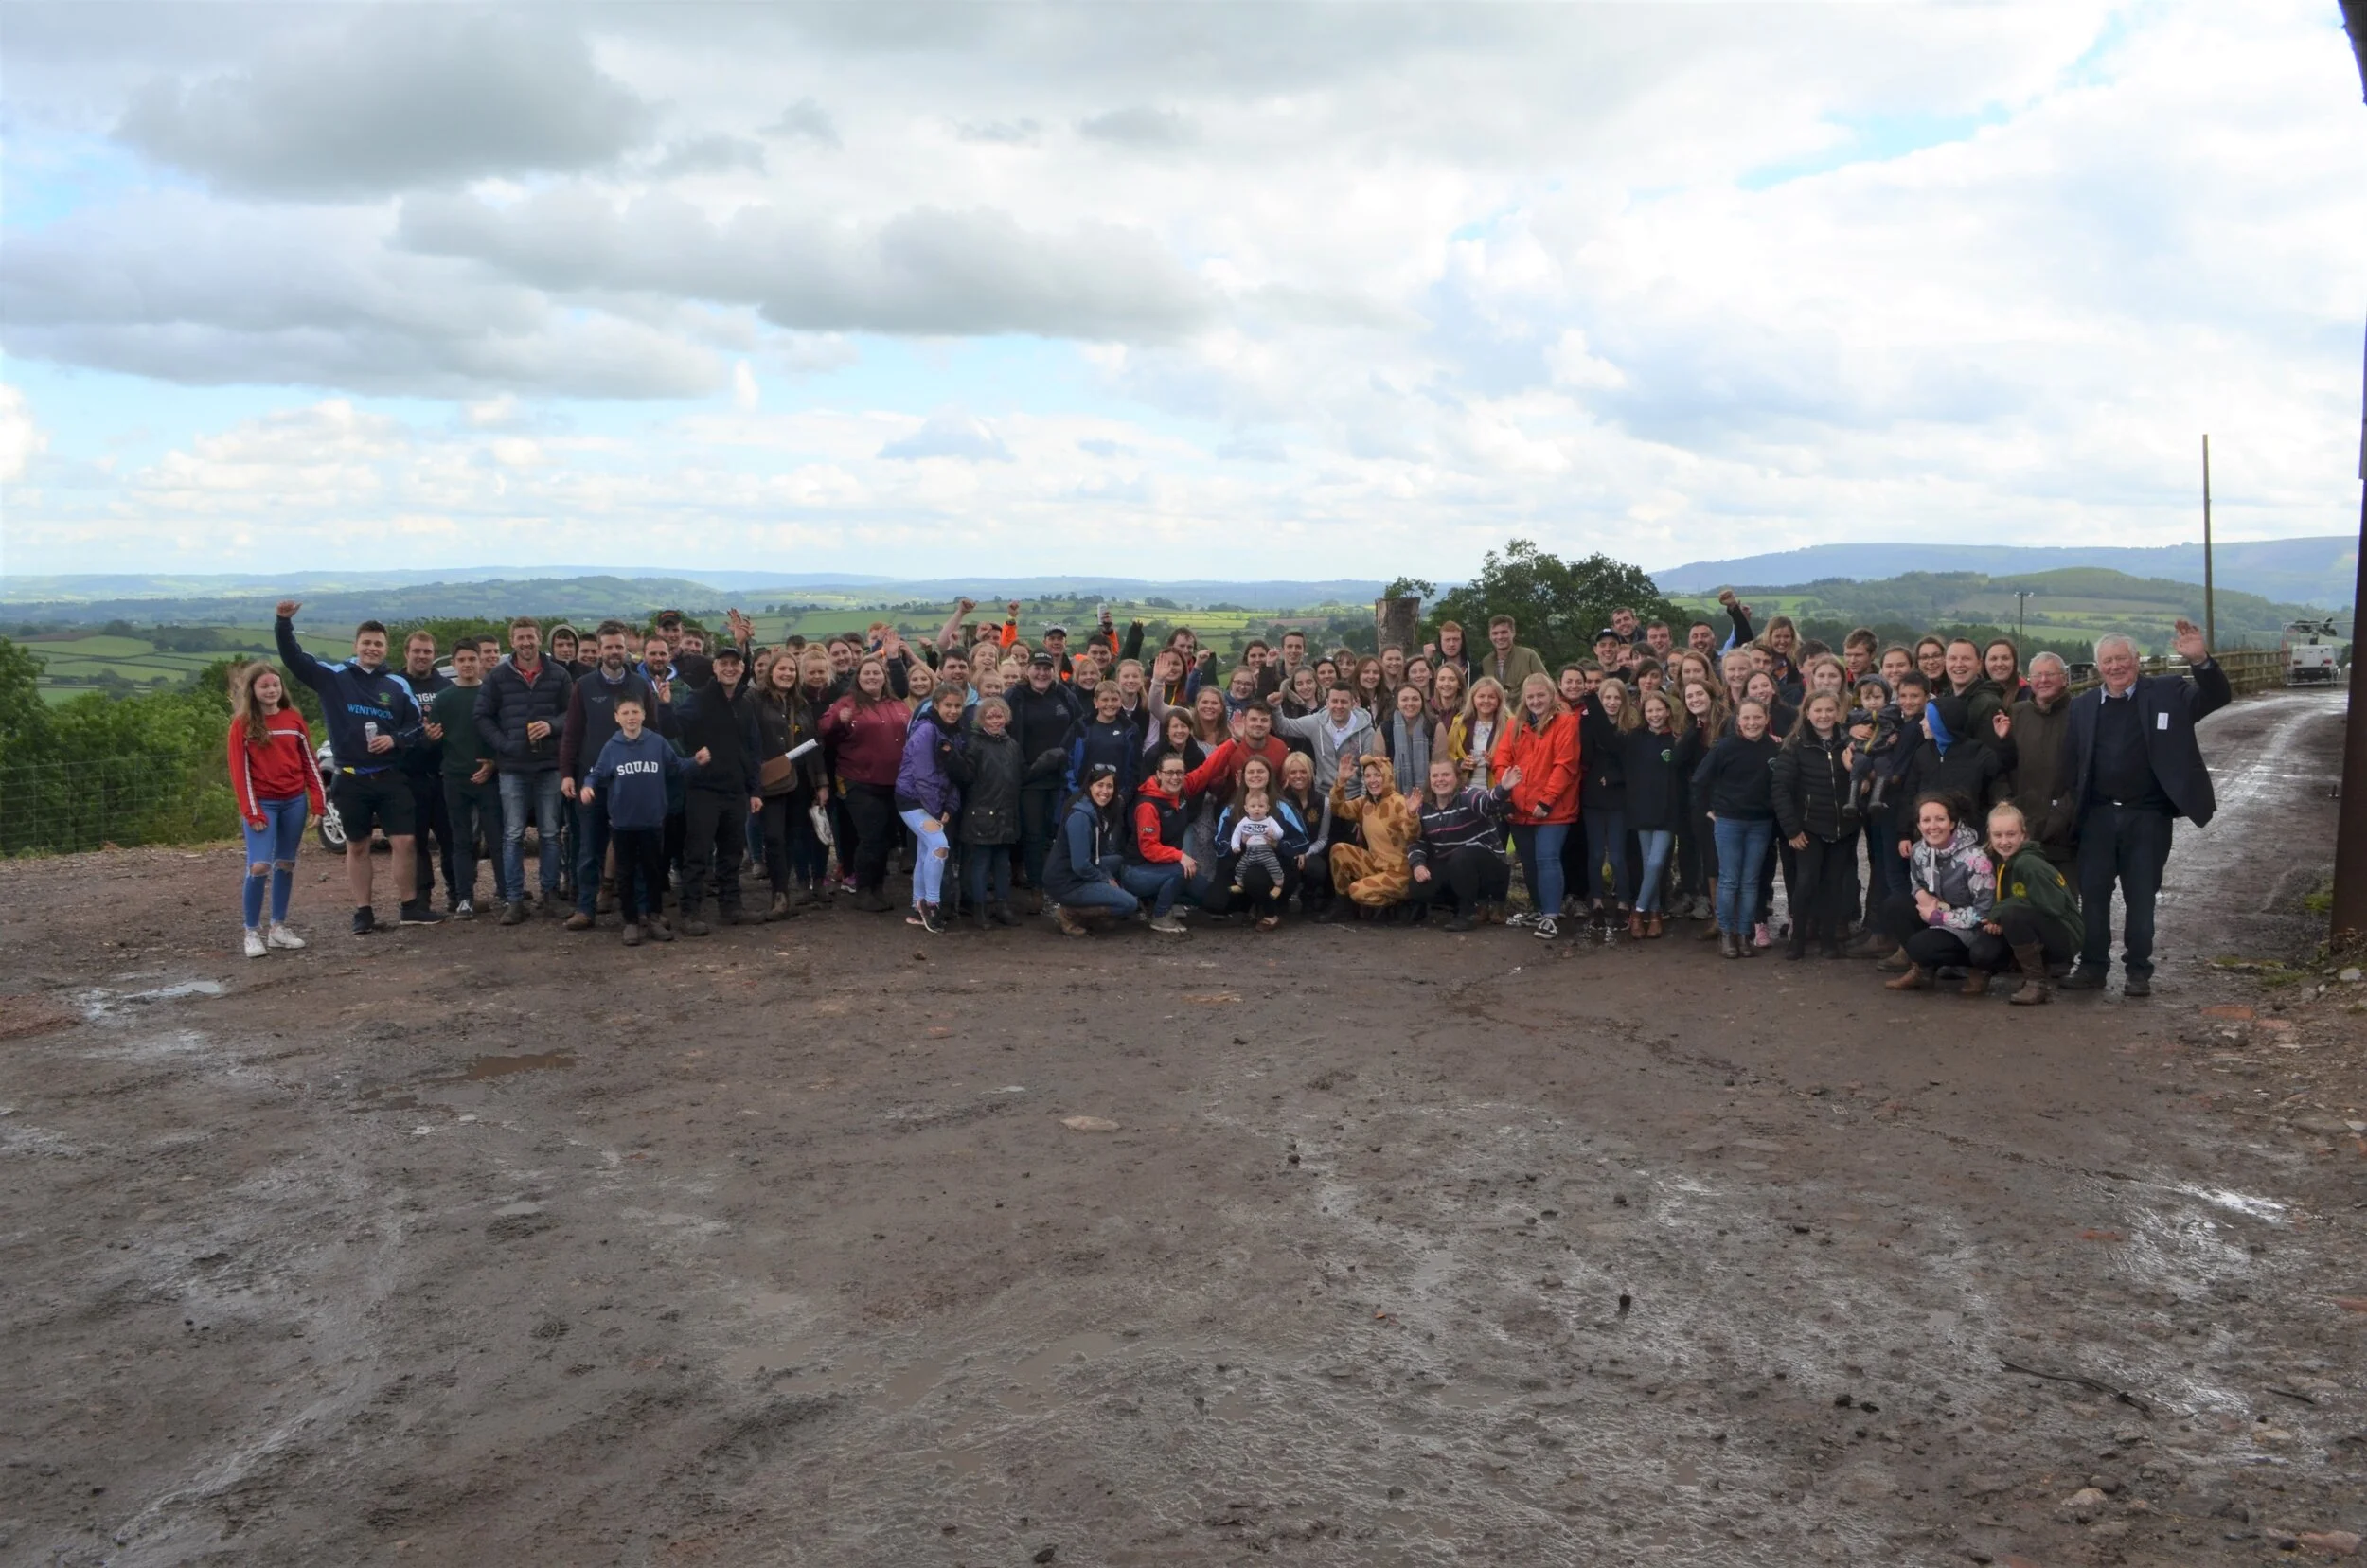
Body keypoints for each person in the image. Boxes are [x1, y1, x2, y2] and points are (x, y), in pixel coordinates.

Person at [2056, 620, 2230, 997]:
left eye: (2122, 658)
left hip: (2147, 817)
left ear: (2137, 660)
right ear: (2097, 666)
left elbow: (2215, 698)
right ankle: (2092, 966)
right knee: (2094, 897)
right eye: (2108, 661)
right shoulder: (2083, 706)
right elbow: (2072, 764)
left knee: (2141, 897)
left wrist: (2200, 659)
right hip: (2098, 817)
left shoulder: (2168, 692)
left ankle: (2138, 970)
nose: (2116, 667)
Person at [274, 600, 436, 935]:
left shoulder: (397, 685)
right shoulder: (335, 678)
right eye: (367, 643)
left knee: (404, 842)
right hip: (350, 778)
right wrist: (283, 623)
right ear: (356, 646)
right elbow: (294, 660)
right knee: (357, 845)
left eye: (378, 644)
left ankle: (410, 906)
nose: (372, 649)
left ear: (386, 648)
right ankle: (364, 912)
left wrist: (395, 741)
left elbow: (417, 728)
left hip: (391, 776)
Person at [558, 620, 671, 930]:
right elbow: (571, 734)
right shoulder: (584, 686)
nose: (614, 652)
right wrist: (567, 774)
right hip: (594, 779)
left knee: (634, 850)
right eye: (608, 647)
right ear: (599, 649)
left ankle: (640, 912)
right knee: (588, 846)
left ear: (626, 649)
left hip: (633, 782)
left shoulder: (640, 686)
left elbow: (654, 733)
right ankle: (585, 908)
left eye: (619, 646)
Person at [578, 698, 709, 946]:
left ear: (643, 714)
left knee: (653, 872)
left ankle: (654, 917)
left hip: (652, 821)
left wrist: (696, 762)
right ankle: (630, 921)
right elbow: (596, 774)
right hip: (622, 823)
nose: (631, 717)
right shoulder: (612, 746)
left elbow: (676, 767)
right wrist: (587, 787)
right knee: (625, 873)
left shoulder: (656, 742)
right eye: (625, 712)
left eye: (635, 712)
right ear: (617, 717)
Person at [475, 616, 573, 925]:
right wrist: (504, 744)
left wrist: (552, 725)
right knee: (513, 834)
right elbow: (482, 716)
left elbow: (572, 714)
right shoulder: (498, 677)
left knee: (549, 833)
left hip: (548, 766)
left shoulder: (558, 674)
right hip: (513, 767)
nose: (526, 642)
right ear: (512, 641)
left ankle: (550, 895)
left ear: (539, 638)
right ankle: (514, 900)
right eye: (520, 638)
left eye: (530, 637)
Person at [227, 662, 326, 958]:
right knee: (259, 866)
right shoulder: (242, 725)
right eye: (264, 686)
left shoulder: (293, 719)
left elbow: (310, 762)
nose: (271, 690)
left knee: (286, 863)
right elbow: (239, 772)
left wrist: (318, 801)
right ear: (253, 691)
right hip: (263, 803)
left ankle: (278, 928)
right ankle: (251, 931)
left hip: (294, 801)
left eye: (275, 685)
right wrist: (252, 811)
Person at [671, 642, 763, 934]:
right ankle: (689, 912)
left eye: (734, 664)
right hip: (703, 789)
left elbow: (752, 748)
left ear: (742, 669)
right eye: (723, 663)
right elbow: (675, 729)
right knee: (697, 854)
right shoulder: (698, 699)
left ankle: (731, 908)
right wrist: (688, 760)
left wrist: (756, 789)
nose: (729, 668)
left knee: (731, 853)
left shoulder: (745, 703)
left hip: (736, 790)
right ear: (714, 668)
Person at [946, 696, 1057, 929]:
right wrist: (951, 757)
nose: (995, 720)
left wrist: (1045, 762)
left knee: (1002, 863)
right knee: (981, 863)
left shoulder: (1012, 746)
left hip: (1007, 813)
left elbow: (1023, 774)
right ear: (981, 720)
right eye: (990, 716)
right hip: (981, 813)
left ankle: (1002, 906)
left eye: (999, 716)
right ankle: (979, 910)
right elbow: (966, 777)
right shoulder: (974, 745)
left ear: (1006, 718)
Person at [1770, 689, 1860, 960]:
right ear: (1807, 713)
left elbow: (1861, 779)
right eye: (1818, 710)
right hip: (1809, 828)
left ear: (1838, 713)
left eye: (1829, 710)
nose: (1823, 715)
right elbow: (1781, 789)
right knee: (1806, 883)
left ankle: (1829, 939)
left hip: (1842, 827)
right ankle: (1797, 938)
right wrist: (1792, 830)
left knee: (1833, 885)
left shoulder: (1849, 743)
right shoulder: (1796, 744)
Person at [1877, 793, 1997, 994]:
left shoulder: (1977, 860)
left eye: (1940, 819)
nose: (1933, 826)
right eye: (1926, 820)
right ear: (1918, 825)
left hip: (1972, 929)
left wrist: (1938, 917)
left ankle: (1977, 970)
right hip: (1937, 912)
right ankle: (1923, 971)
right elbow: (1916, 880)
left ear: (1952, 823)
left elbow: (1984, 912)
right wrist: (1920, 893)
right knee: (1894, 905)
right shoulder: (1918, 850)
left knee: (1920, 946)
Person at [1492, 671, 1579, 940]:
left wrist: (1547, 800)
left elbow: (1565, 765)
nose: (1536, 701)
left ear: (1552, 695)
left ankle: (1552, 915)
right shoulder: (1515, 724)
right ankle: (1540, 909)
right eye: (1531, 696)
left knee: (1547, 857)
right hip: (1520, 807)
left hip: (1553, 808)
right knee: (1529, 861)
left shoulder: (1566, 722)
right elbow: (1501, 760)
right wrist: (1506, 793)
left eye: (1541, 695)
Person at [821, 656, 910, 911]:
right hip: (858, 780)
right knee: (870, 837)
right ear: (858, 678)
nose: (872, 677)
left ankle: (877, 887)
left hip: (893, 782)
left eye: (877, 673)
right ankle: (863, 889)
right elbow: (824, 728)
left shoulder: (897, 704)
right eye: (866, 674)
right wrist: (839, 720)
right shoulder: (847, 704)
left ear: (885, 677)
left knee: (885, 838)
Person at [1695, 698, 1779, 960]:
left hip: (1760, 823)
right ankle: (1727, 934)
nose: (1752, 723)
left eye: (1757, 718)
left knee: (1750, 881)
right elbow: (1699, 781)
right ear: (1738, 721)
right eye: (1747, 718)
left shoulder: (1774, 748)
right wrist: (1708, 809)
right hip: (1729, 821)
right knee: (1729, 879)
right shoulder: (1725, 747)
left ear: (1766, 719)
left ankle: (1745, 934)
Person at [426, 639, 505, 918]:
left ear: (480, 661)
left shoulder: (491, 695)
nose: (468, 664)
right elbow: (434, 741)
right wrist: (429, 738)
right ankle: (465, 898)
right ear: (454, 664)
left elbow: (500, 734)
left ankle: (506, 894)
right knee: (460, 841)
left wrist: (493, 764)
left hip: (489, 777)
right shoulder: (444, 699)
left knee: (497, 839)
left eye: (473, 659)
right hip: (455, 778)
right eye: (462, 660)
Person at [753, 646, 832, 918]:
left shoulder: (802, 705)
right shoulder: (755, 701)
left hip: (800, 781)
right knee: (774, 837)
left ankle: (784, 894)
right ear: (771, 671)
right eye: (782, 668)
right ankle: (779, 894)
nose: (786, 673)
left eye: (791, 669)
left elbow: (814, 746)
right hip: (770, 780)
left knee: (791, 836)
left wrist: (822, 783)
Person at [1976, 803, 2082, 1005]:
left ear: (2023, 835)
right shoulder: (1998, 862)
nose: (2004, 841)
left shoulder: (2028, 863)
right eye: (1998, 835)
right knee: (1983, 952)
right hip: (2037, 927)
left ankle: (2036, 983)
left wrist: (2002, 910)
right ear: (1990, 835)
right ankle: (2022, 969)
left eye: (2011, 834)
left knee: (2013, 915)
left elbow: (2053, 906)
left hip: (2065, 935)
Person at [1043, 764, 1156, 935]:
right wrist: (1105, 879)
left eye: (1109, 786)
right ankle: (1069, 913)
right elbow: (1081, 865)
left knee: (1118, 860)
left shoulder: (1097, 811)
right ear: (1090, 786)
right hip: (1066, 882)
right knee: (1129, 904)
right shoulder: (1081, 817)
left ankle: (1103, 905)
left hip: (1077, 873)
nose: (1105, 791)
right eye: (1100, 785)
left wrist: (1107, 877)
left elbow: (1094, 858)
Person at [1407, 757, 1512, 931]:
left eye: (1446, 775)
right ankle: (1460, 904)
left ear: (1457, 777)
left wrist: (1503, 789)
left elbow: (1486, 802)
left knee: (1461, 857)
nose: (1440, 780)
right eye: (1435, 776)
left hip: (1490, 868)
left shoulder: (1466, 796)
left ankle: (1469, 913)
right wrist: (1418, 865)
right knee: (1418, 887)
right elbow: (1417, 841)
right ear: (1429, 780)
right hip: (1457, 868)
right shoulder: (1424, 808)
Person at [897, 683, 969, 934]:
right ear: (936, 706)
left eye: (958, 705)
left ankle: (917, 908)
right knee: (939, 845)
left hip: (936, 802)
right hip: (913, 800)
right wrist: (939, 811)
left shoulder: (956, 733)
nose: (953, 710)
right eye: (948, 705)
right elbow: (924, 776)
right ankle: (932, 904)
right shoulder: (926, 731)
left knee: (925, 851)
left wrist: (950, 804)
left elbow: (954, 775)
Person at [396, 630, 457, 918]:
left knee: (452, 840)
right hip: (409, 776)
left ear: (434, 655)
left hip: (444, 775)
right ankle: (421, 899)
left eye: (427, 652)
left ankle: (458, 895)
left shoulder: (446, 686)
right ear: (406, 652)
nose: (422, 656)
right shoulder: (395, 685)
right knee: (415, 842)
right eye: (417, 651)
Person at [2001, 651, 2076, 872]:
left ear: (2064, 678)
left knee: (2062, 900)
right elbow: (2006, 766)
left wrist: (2059, 818)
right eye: (2037, 675)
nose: (2043, 680)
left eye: (2050, 674)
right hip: (2021, 828)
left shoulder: (2079, 713)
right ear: (2029, 680)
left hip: (2064, 832)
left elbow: (2084, 774)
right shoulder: (2016, 713)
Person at [1620, 688, 1685, 938]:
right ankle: (1655, 913)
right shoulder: (1634, 738)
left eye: (1660, 709)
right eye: (1650, 711)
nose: (1655, 715)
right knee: (1650, 865)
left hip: (1668, 811)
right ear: (1644, 714)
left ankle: (1637, 911)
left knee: (1657, 862)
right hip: (1641, 809)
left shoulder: (1677, 739)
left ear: (1668, 711)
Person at [1326, 753, 1421, 918]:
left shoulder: (1398, 802)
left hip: (1400, 874)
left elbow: (1412, 835)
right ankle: (1343, 906)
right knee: (1338, 850)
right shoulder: (1365, 802)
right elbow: (1337, 808)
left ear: (1388, 776)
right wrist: (1341, 782)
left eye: (1377, 775)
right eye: (1368, 776)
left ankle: (1400, 903)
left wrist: (1412, 815)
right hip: (1376, 866)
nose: (1372, 780)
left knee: (1356, 891)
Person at [1577, 676, 1631, 938]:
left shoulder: (1629, 727)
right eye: (1606, 698)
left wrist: (1615, 778)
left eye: (1616, 698)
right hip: (1593, 798)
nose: (1611, 702)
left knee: (1618, 855)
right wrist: (1590, 715)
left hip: (1619, 799)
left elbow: (1623, 755)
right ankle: (1596, 901)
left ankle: (1623, 902)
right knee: (1596, 854)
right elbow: (1586, 754)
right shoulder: (1589, 722)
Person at [1119, 752, 1196, 933]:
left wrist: (1233, 742)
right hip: (1136, 870)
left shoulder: (1181, 793)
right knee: (1182, 871)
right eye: (1169, 772)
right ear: (1159, 774)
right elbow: (1149, 848)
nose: (1175, 777)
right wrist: (1180, 855)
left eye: (1179, 772)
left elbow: (1206, 771)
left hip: (1161, 867)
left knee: (1204, 894)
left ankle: (1152, 901)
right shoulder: (1148, 805)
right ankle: (1160, 916)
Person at [1272, 682, 1378, 792]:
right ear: (1327, 703)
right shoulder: (1316, 722)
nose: (1339, 706)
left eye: (1344, 702)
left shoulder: (1367, 732)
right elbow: (1284, 727)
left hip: (1353, 795)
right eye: (1334, 701)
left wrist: (1362, 803)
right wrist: (1275, 707)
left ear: (1353, 704)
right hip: (1324, 794)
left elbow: (1368, 771)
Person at [1226, 786, 1289, 901]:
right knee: (1240, 867)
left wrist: (1273, 833)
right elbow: (1236, 834)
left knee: (1274, 867)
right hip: (1249, 852)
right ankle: (1240, 885)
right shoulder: (1244, 822)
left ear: (1267, 808)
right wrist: (1235, 846)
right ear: (1246, 808)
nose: (1257, 809)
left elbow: (1281, 833)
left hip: (1266, 852)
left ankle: (1278, 886)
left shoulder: (1269, 820)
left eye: (1261, 806)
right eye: (1253, 806)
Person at [1479, 615, 1548, 695]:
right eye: (1495, 633)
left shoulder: (1528, 655)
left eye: (1504, 632)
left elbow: (1547, 684)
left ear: (1513, 633)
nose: (1499, 637)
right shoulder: (1486, 662)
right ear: (1490, 636)